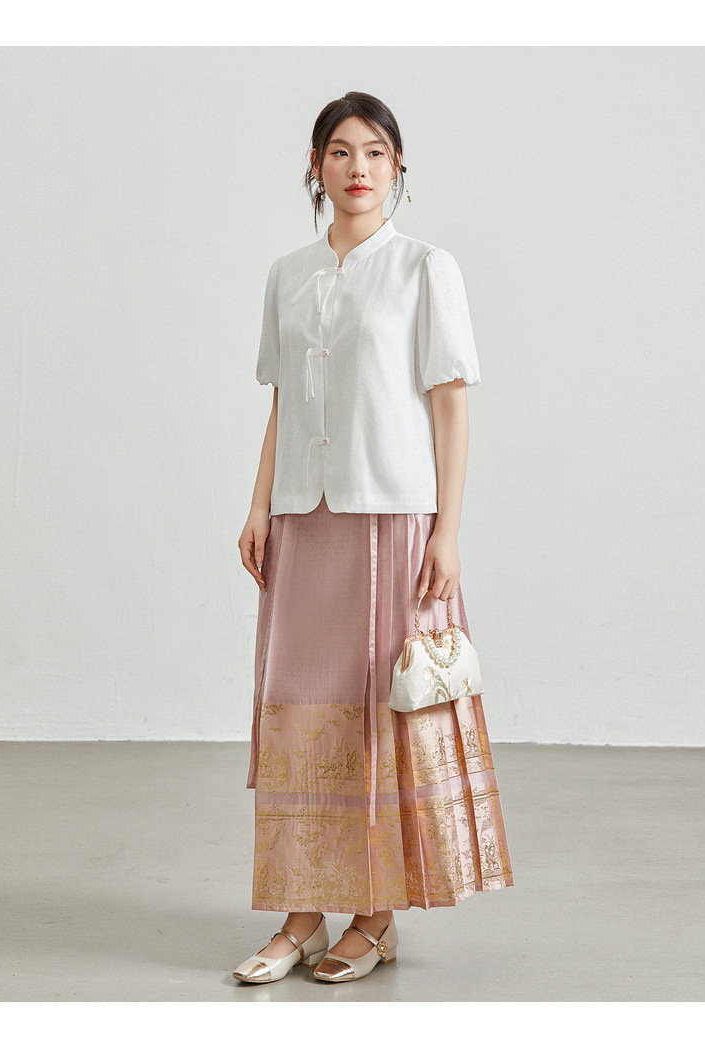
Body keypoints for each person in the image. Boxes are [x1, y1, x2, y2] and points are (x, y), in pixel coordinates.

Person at [234, 91, 514, 985]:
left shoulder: (426, 268)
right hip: (303, 518)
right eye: (340, 151)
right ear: (315, 168)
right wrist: (258, 506)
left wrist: (448, 530)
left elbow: (451, 406)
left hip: (392, 518)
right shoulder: (287, 274)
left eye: (377, 152)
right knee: (297, 713)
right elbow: (284, 402)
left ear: (398, 168)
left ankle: (375, 915)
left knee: (376, 714)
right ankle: (300, 914)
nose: (358, 167)